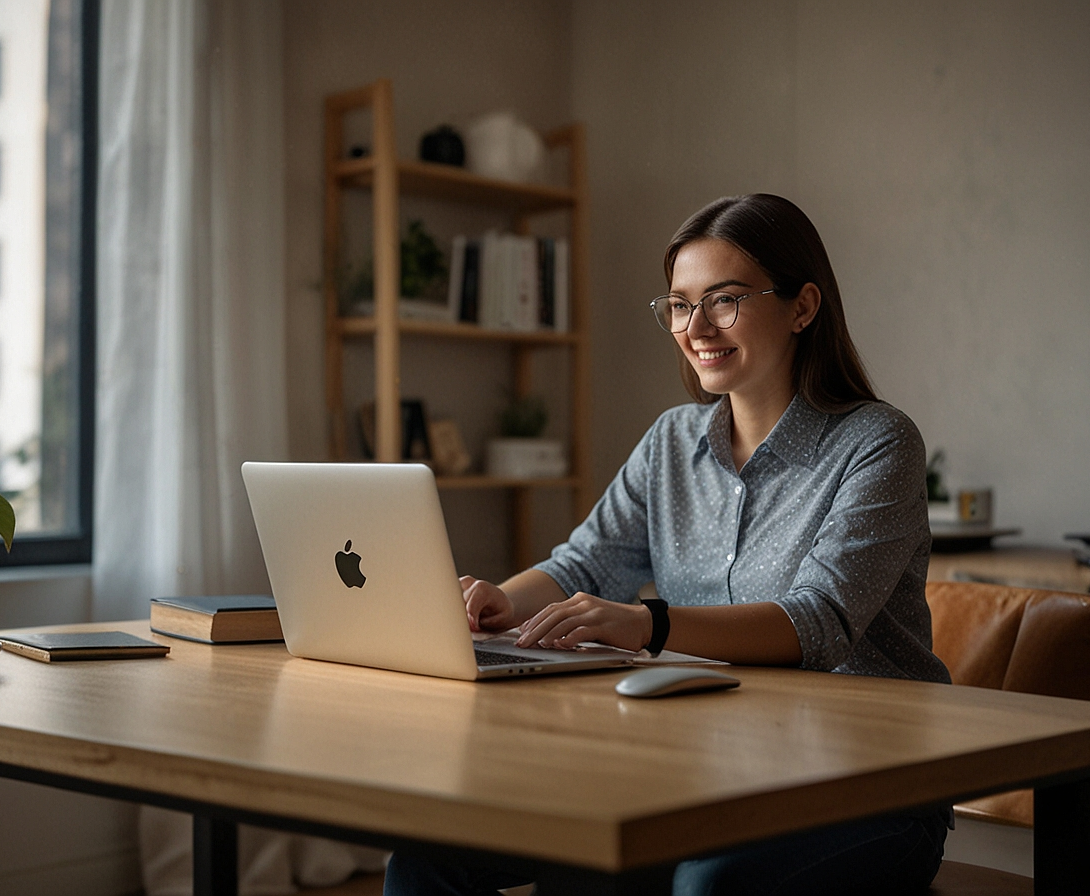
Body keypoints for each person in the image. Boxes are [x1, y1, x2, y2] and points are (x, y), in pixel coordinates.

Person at [383, 193, 951, 896]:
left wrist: (647, 623)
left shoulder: (878, 444)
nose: (696, 326)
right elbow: (586, 563)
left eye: (725, 300)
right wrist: (501, 600)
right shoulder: (672, 441)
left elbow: (821, 622)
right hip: (704, 764)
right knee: (429, 854)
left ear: (804, 307)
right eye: (680, 305)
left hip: (868, 784)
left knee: (705, 884)